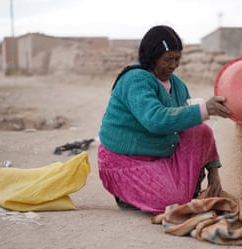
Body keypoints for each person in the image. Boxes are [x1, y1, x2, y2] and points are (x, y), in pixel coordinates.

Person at [97, 25, 231, 214]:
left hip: (159, 155)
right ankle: (126, 194)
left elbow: (188, 123)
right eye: (168, 59)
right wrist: (204, 108)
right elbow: (156, 120)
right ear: (152, 57)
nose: (174, 65)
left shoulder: (177, 85)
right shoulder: (136, 81)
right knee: (173, 204)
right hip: (126, 161)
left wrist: (214, 173)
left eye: (177, 59)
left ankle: (186, 186)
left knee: (200, 130)